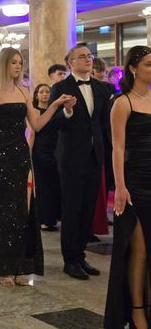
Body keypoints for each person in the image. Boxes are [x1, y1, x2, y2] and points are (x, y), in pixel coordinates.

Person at [0, 47, 73, 287]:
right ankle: (2, 268)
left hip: (20, 155)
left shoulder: (24, 91)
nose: (18, 66)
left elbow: (36, 124)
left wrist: (55, 105)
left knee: (21, 212)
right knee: (2, 213)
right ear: (4, 64)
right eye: (14, 62)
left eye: (20, 62)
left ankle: (19, 266)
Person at [48, 43, 112, 280]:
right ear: (70, 62)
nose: (88, 59)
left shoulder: (101, 88)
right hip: (71, 158)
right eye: (82, 56)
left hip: (95, 157)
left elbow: (103, 123)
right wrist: (66, 111)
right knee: (72, 209)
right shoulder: (60, 87)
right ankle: (70, 260)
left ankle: (80, 256)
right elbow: (52, 122)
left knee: (88, 209)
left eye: (89, 56)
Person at [104, 45, 151, 329]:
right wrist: (120, 187)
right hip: (135, 182)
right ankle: (136, 310)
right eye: (148, 64)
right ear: (133, 69)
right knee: (139, 251)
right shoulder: (123, 103)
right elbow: (117, 148)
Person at [31, 84, 61, 231]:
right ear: (36, 95)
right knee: (42, 186)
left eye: (47, 92)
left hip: (55, 149)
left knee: (54, 185)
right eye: (41, 92)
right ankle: (43, 219)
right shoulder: (33, 111)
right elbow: (31, 132)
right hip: (40, 150)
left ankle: (52, 218)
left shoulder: (54, 110)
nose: (44, 94)